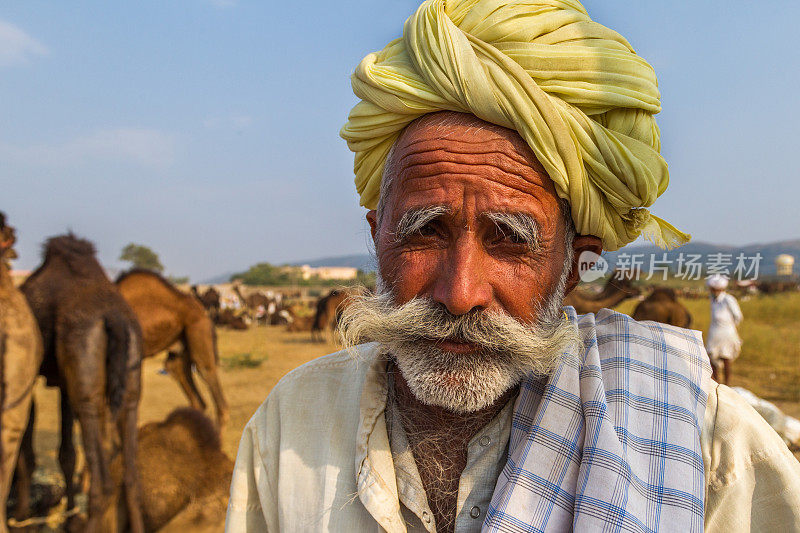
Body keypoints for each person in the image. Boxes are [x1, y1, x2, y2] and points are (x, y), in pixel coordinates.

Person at [226, 1, 800, 531]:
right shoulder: (292, 425)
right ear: (378, 239)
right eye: (425, 232)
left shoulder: (704, 442)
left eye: (510, 240)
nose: (460, 292)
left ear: (576, 266)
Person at [706, 275, 743, 385]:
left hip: (727, 332)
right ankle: (717, 383)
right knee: (712, 358)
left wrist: (729, 326)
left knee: (726, 357)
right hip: (714, 332)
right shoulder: (713, 299)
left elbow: (738, 316)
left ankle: (727, 384)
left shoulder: (728, 299)